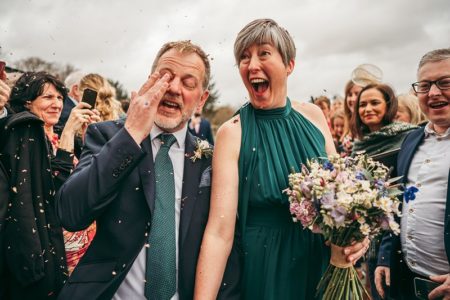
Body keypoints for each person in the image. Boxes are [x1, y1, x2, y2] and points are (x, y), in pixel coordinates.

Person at [194, 19, 369, 300]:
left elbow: (343, 195)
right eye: (244, 57)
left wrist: (358, 235)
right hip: (266, 268)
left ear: (289, 65)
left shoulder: (313, 116)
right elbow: (219, 231)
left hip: (322, 261)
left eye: (264, 53)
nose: (251, 65)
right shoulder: (233, 133)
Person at [55, 40, 241, 300]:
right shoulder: (108, 136)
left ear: (201, 100)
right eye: (165, 77)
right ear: (150, 81)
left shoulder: (211, 160)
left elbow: (225, 246)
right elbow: (71, 213)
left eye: (188, 83)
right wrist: (130, 135)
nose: (174, 88)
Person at [0, 71, 98, 299]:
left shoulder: (58, 134)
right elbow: (49, 192)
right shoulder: (24, 132)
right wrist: (68, 135)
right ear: (27, 102)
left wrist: (87, 137)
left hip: (82, 246)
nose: (56, 104)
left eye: (59, 98)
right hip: (53, 247)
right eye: (47, 98)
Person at [375, 48, 450, 300]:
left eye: (445, 82)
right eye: (425, 85)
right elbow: (397, 203)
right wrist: (385, 256)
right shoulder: (410, 140)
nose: (434, 93)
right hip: (406, 284)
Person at [350, 83, 418, 299]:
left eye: (374, 103)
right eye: (362, 105)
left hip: (399, 239)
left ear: (388, 106)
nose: (367, 109)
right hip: (369, 240)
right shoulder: (358, 147)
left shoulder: (408, 138)